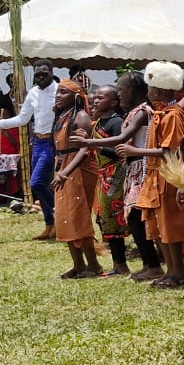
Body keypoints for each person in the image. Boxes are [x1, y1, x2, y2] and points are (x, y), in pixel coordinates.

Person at [71, 72, 165, 281]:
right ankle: (150, 264)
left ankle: (154, 265)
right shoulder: (133, 111)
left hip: (142, 166)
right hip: (133, 168)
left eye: (122, 90)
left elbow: (122, 138)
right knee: (133, 219)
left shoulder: (142, 111)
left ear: (136, 91)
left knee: (136, 218)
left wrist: (89, 144)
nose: (120, 94)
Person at [134, 63, 184, 288]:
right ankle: (169, 270)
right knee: (157, 226)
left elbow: (170, 149)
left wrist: (136, 151)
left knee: (169, 226)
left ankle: (178, 272)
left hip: (167, 176)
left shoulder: (173, 115)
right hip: (153, 175)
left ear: (158, 91)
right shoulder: (159, 113)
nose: (148, 93)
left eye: (150, 89)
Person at [0, 60, 59, 241]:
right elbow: (22, 119)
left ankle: (58, 218)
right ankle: (50, 225)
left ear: (51, 73)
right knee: (38, 186)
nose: (41, 78)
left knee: (37, 183)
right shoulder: (33, 93)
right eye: (37, 75)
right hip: (37, 142)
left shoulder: (60, 90)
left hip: (53, 142)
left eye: (44, 74)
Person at [51, 79, 102, 279]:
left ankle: (94, 265)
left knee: (78, 216)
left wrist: (65, 172)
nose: (58, 95)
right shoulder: (60, 116)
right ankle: (78, 265)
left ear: (76, 96)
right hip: (63, 165)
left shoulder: (80, 116)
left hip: (79, 168)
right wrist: (58, 171)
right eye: (58, 92)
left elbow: (84, 149)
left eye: (63, 92)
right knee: (64, 216)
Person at [89, 85, 130, 277]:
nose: (96, 100)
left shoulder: (116, 123)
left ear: (113, 102)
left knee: (115, 220)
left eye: (101, 97)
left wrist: (96, 147)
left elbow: (118, 152)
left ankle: (121, 265)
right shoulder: (97, 123)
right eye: (95, 97)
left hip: (115, 175)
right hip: (103, 175)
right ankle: (117, 264)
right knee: (105, 219)